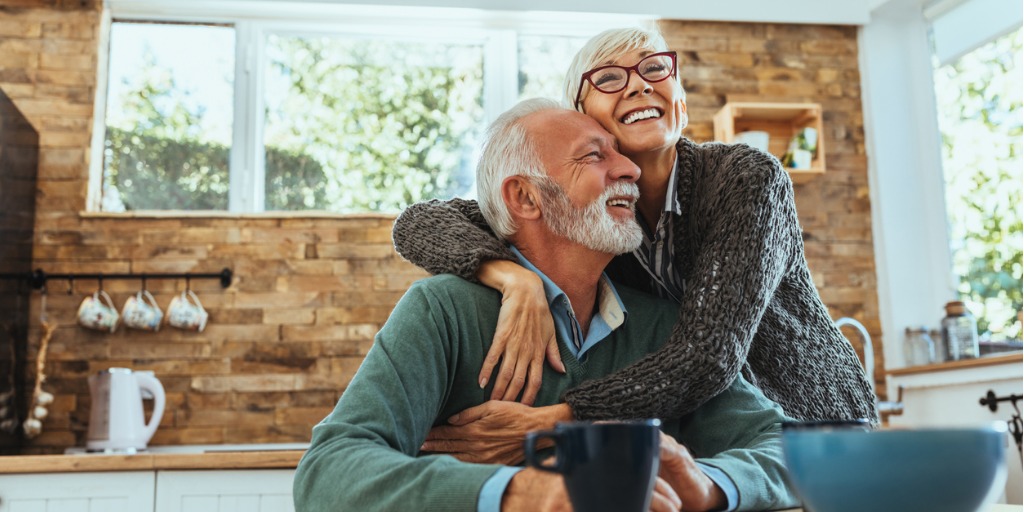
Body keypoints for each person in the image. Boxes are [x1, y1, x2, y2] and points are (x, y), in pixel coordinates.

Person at [294, 98, 797, 512]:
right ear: (527, 199)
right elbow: (328, 471)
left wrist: (708, 482)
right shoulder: (442, 311)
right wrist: (518, 492)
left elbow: (789, 449)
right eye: (596, 156)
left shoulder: (663, 326)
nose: (629, 169)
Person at [392, 26, 878, 427]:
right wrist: (511, 277)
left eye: (653, 69)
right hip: (716, 435)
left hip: (817, 423)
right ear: (584, 121)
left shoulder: (747, 179)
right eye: (607, 78)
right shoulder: (590, 215)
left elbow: (708, 355)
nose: (639, 84)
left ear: (681, 104)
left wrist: (557, 419)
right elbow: (420, 222)